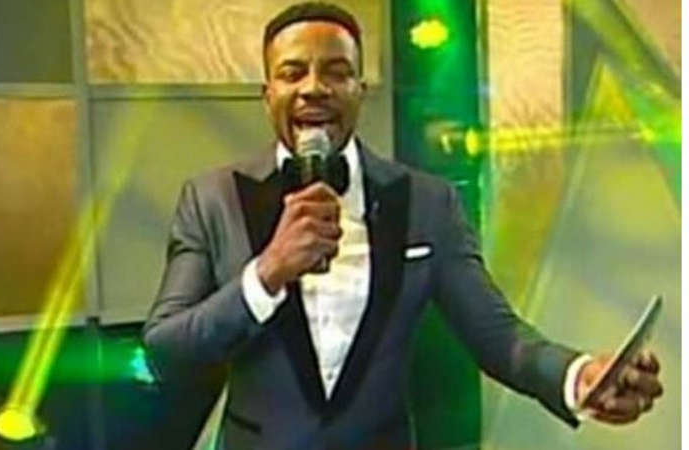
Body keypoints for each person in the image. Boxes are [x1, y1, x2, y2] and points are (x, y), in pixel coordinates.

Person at [142, 3, 663, 449]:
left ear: (360, 89)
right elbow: (167, 350)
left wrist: (579, 376)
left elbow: (499, 337)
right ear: (267, 93)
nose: (314, 88)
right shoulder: (212, 200)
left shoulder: (426, 202)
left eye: (336, 72)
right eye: (293, 73)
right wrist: (268, 274)